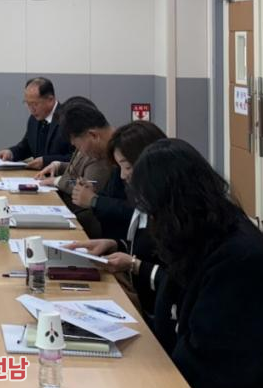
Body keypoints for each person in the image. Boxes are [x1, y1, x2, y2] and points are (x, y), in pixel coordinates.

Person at [130, 138, 263, 388]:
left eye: (155, 211)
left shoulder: (237, 259)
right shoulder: (205, 233)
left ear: (174, 205)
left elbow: (207, 363)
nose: (153, 222)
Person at [65, 121, 166, 316]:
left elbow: (176, 282)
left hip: (157, 314)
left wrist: (134, 265)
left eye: (127, 167)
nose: (122, 175)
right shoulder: (147, 199)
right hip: (145, 303)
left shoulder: (173, 214)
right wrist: (115, 245)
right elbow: (146, 248)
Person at [35, 96, 112, 238]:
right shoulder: (90, 142)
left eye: (75, 142)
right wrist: (59, 166)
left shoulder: (100, 153)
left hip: (89, 226)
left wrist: (57, 180)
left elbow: (84, 185)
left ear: (93, 135)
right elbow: (78, 168)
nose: (74, 146)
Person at [60, 103, 133, 239]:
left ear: (93, 135)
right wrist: (93, 194)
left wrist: (94, 200)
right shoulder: (112, 153)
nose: (82, 153)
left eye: (79, 147)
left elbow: (139, 211)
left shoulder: (128, 151)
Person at [0, 77, 73, 170]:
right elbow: (27, 146)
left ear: (50, 100)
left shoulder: (68, 119)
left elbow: (76, 159)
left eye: (35, 104)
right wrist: (11, 153)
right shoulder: (34, 119)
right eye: (27, 104)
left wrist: (46, 161)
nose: (31, 109)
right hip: (36, 176)